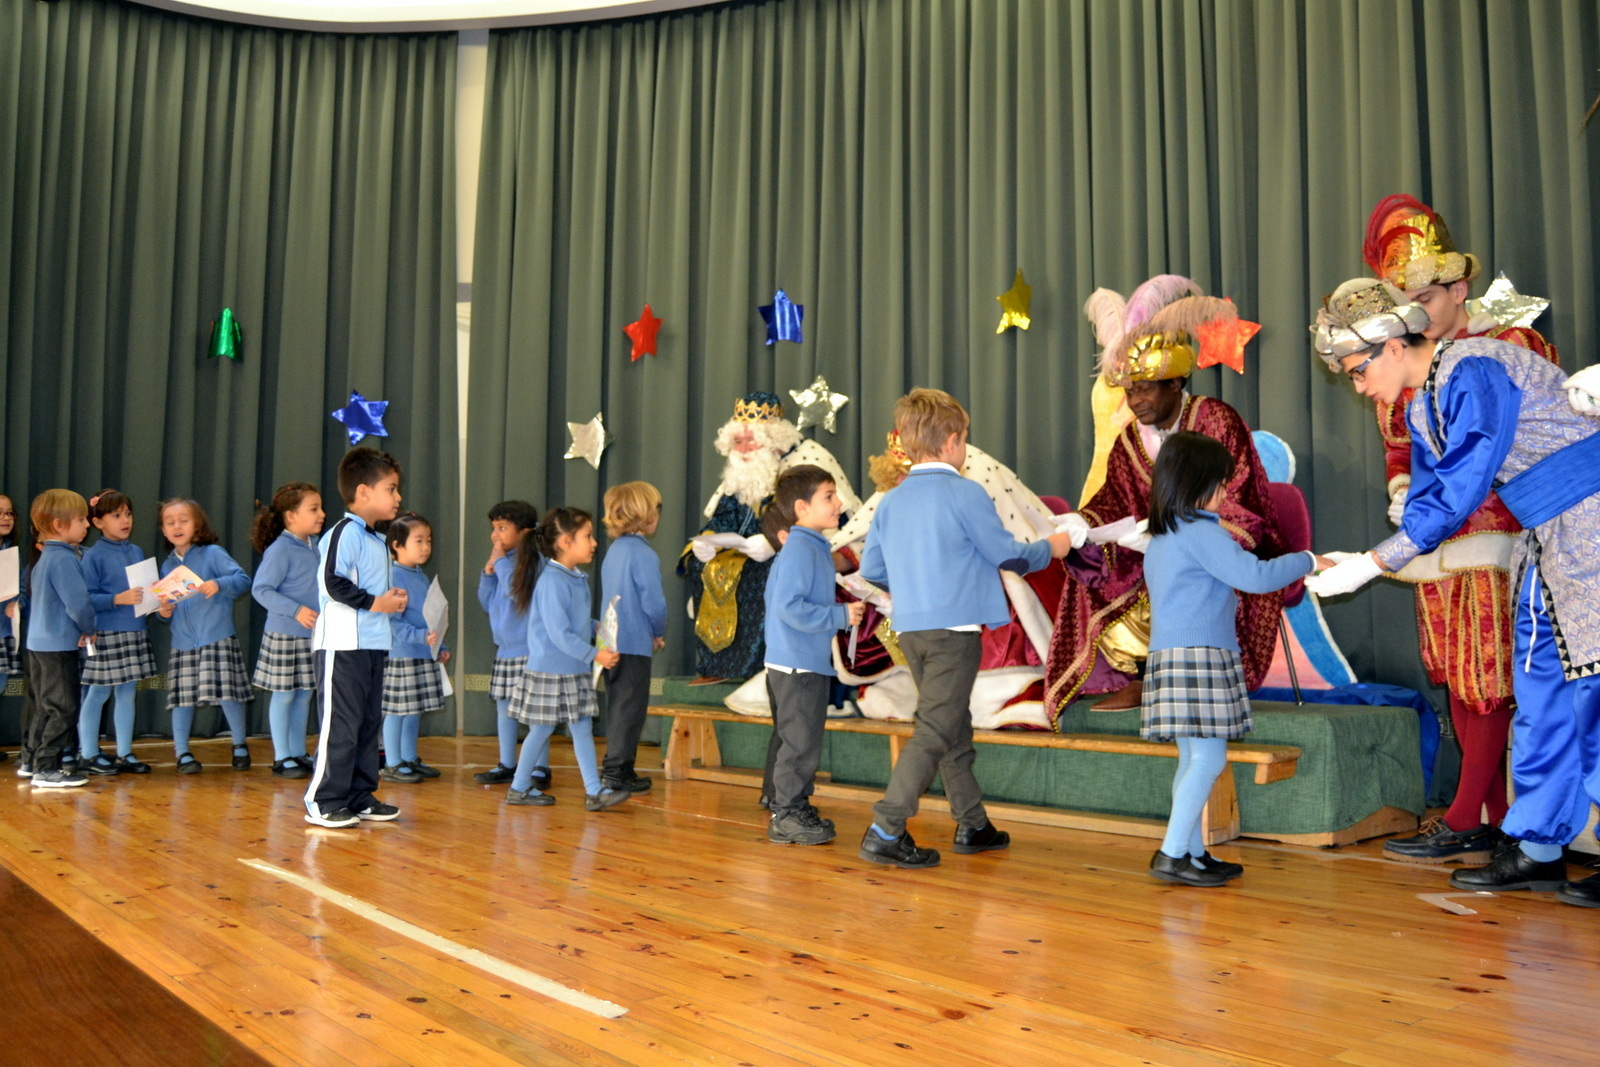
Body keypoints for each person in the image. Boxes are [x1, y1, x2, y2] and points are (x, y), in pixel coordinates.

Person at [1306, 277, 1600, 906]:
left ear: (1392, 347)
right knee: (1542, 687)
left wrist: (1373, 563)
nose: (1358, 387)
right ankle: (1540, 848)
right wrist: (1372, 552)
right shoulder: (1423, 405)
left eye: (1357, 371)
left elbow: (1461, 485)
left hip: (1588, 519)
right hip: (1545, 536)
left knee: (1593, 687)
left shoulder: (1473, 366)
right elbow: (1434, 497)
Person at [1358, 195, 1559, 865]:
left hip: (1507, 539)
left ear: (1459, 288)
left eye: (1425, 297)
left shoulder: (1504, 348)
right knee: (1460, 675)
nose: (1416, 312)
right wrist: (1400, 488)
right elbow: (1401, 447)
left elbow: (1486, 458)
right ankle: (1494, 818)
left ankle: (1469, 813)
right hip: (1437, 538)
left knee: (1493, 674)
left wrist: (1393, 541)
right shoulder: (1412, 365)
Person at [856, 389, 1074, 868]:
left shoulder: (891, 501)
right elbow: (1007, 554)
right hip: (953, 633)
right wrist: (1052, 548)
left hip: (911, 629)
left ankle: (973, 823)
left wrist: (917, 586)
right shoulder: (966, 492)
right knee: (936, 728)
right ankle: (886, 828)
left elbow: (872, 568)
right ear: (953, 441)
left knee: (952, 727)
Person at [1046, 276, 1281, 717]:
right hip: (1153, 555)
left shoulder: (1216, 421)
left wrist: (1174, 536)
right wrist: (1083, 523)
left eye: (1145, 387)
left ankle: (1173, 674)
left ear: (1175, 383)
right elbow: (1112, 501)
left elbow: (1241, 500)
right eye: (1128, 389)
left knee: (1174, 565)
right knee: (1092, 564)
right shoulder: (1128, 440)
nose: (1134, 400)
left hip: (1218, 549)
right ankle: (1141, 675)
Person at [1142, 433, 1326, 886]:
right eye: (1221, 483)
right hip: (1200, 656)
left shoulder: (1164, 536)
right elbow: (1255, 576)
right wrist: (1307, 560)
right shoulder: (1201, 532)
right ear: (1196, 482)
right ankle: (1171, 854)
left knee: (1193, 758)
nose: (1225, 493)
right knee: (1208, 759)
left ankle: (1192, 852)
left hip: (1172, 655)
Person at [679, 392, 860, 682]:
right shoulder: (741, 473)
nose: (744, 449)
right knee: (704, 567)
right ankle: (719, 666)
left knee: (759, 574)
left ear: (774, 440)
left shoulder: (806, 465)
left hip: (790, 557)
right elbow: (723, 516)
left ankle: (757, 667)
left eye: (751, 441)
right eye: (738, 441)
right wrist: (706, 542)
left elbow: (828, 522)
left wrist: (774, 542)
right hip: (742, 554)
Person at [303, 448, 408, 828]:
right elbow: (332, 582)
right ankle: (323, 800)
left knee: (366, 724)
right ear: (363, 492)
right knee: (342, 725)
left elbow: (368, 589)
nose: (398, 497)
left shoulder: (376, 539)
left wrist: (389, 599)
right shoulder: (344, 532)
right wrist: (376, 603)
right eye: (391, 489)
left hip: (373, 645)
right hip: (343, 645)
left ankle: (359, 796)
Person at [763, 466, 864, 846]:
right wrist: (839, 616)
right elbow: (787, 606)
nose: (839, 503)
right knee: (798, 744)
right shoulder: (801, 550)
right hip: (796, 664)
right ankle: (786, 815)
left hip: (801, 660)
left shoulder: (811, 547)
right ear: (802, 508)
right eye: (829, 496)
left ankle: (796, 806)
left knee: (804, 741)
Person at [504, 507, 628, 812]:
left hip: (572, 667)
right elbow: (559, 634)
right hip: (551, 670)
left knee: (582, 727)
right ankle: (519, 787)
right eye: (588, 536)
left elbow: (574, 623)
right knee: (542, 729)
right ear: (565, 542)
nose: (594, 542)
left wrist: (596, 626)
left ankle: (594, 791)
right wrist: (595, 654)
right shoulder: (553, 581)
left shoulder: (574, 578)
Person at [158, 498, 253, 774]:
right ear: (163, 530)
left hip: (217, 636)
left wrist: (218, 584)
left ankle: (239, 744)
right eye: (170, 522)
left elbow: (242, 580)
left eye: (184, 520)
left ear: (197, 524)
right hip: (183, 642)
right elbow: (165, 609)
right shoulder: (167, 566)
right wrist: (163, 612)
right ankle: (182, 752)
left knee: (228, 694)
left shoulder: (213, 553)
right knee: (182, 698)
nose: (177, 527)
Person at [76, 490, 158, 774]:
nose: (125, 520)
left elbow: (146, 592)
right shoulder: (94, 556)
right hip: (106, 632)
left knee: (127, 693)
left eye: (128, 514)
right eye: (116, 515)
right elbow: (86, 597)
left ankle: (125, 753)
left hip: (135, 630)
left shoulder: (136, 551)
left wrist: (158, 600)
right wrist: (117, 599)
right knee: (98, 692)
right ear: (98, 522)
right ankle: (88, 753)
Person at [250, 482, 325, 779]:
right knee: (284, 695)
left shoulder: (316, 545)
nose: (322, 514)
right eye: (314, 509)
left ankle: (297, 751)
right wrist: (295, 610)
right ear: (291, 516)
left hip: (311, 635)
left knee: (304, 694)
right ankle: (282, 756)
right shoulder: (280, 549)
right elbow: (261, 589)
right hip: (284, 634)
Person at [22, 490, 95, 788]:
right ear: (59, 525)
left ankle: (30, 761)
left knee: (45, 707)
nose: (87, 525)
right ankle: (46, 768)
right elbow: (78, 604)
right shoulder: (64, 559)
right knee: (64, 708)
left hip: (37, 645)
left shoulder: (45, 558)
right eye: (81, 519)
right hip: (58, 646)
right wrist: (89, 628)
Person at [599, 481, 667, 795]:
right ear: (645, 515)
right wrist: (658, 630)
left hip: (610, 640)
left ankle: (619, 768)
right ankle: (616, 772)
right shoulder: (643, 554)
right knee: (630, 710)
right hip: (632, 642)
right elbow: (654, 602)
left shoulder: (615, 550)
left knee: (618, 706)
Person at [475, 501, 541, 787]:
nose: (495, 535)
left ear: (524, 532)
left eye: (502, 528)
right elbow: (487, 602)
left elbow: (517, 591)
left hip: (528, 649)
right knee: (505, 708)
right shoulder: (503, 562)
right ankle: (507, 763)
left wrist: (500, 563)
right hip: (505, 650)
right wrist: (488, 573)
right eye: (494, 528)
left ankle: (539, 768)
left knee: (534, 712)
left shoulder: (532, 562)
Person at [379, 512, 448, 784]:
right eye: (418, 541)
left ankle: (409, 758)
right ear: (397, 545)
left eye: (428, 540)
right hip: (402, 654)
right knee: (397, 710)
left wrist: (440, 644)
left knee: (414, 709)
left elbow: (432, 615)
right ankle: (392, 763)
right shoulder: (394, 576)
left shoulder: (420, 575)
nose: (426, 547)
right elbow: (393, 623)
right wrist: (421, 636)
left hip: (422, 652)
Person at [0, 494, 20, 690]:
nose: (6, 518)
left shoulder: (9, 550)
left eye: (9, 513)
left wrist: (18, 602)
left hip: (5, 630)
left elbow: (20, 587)